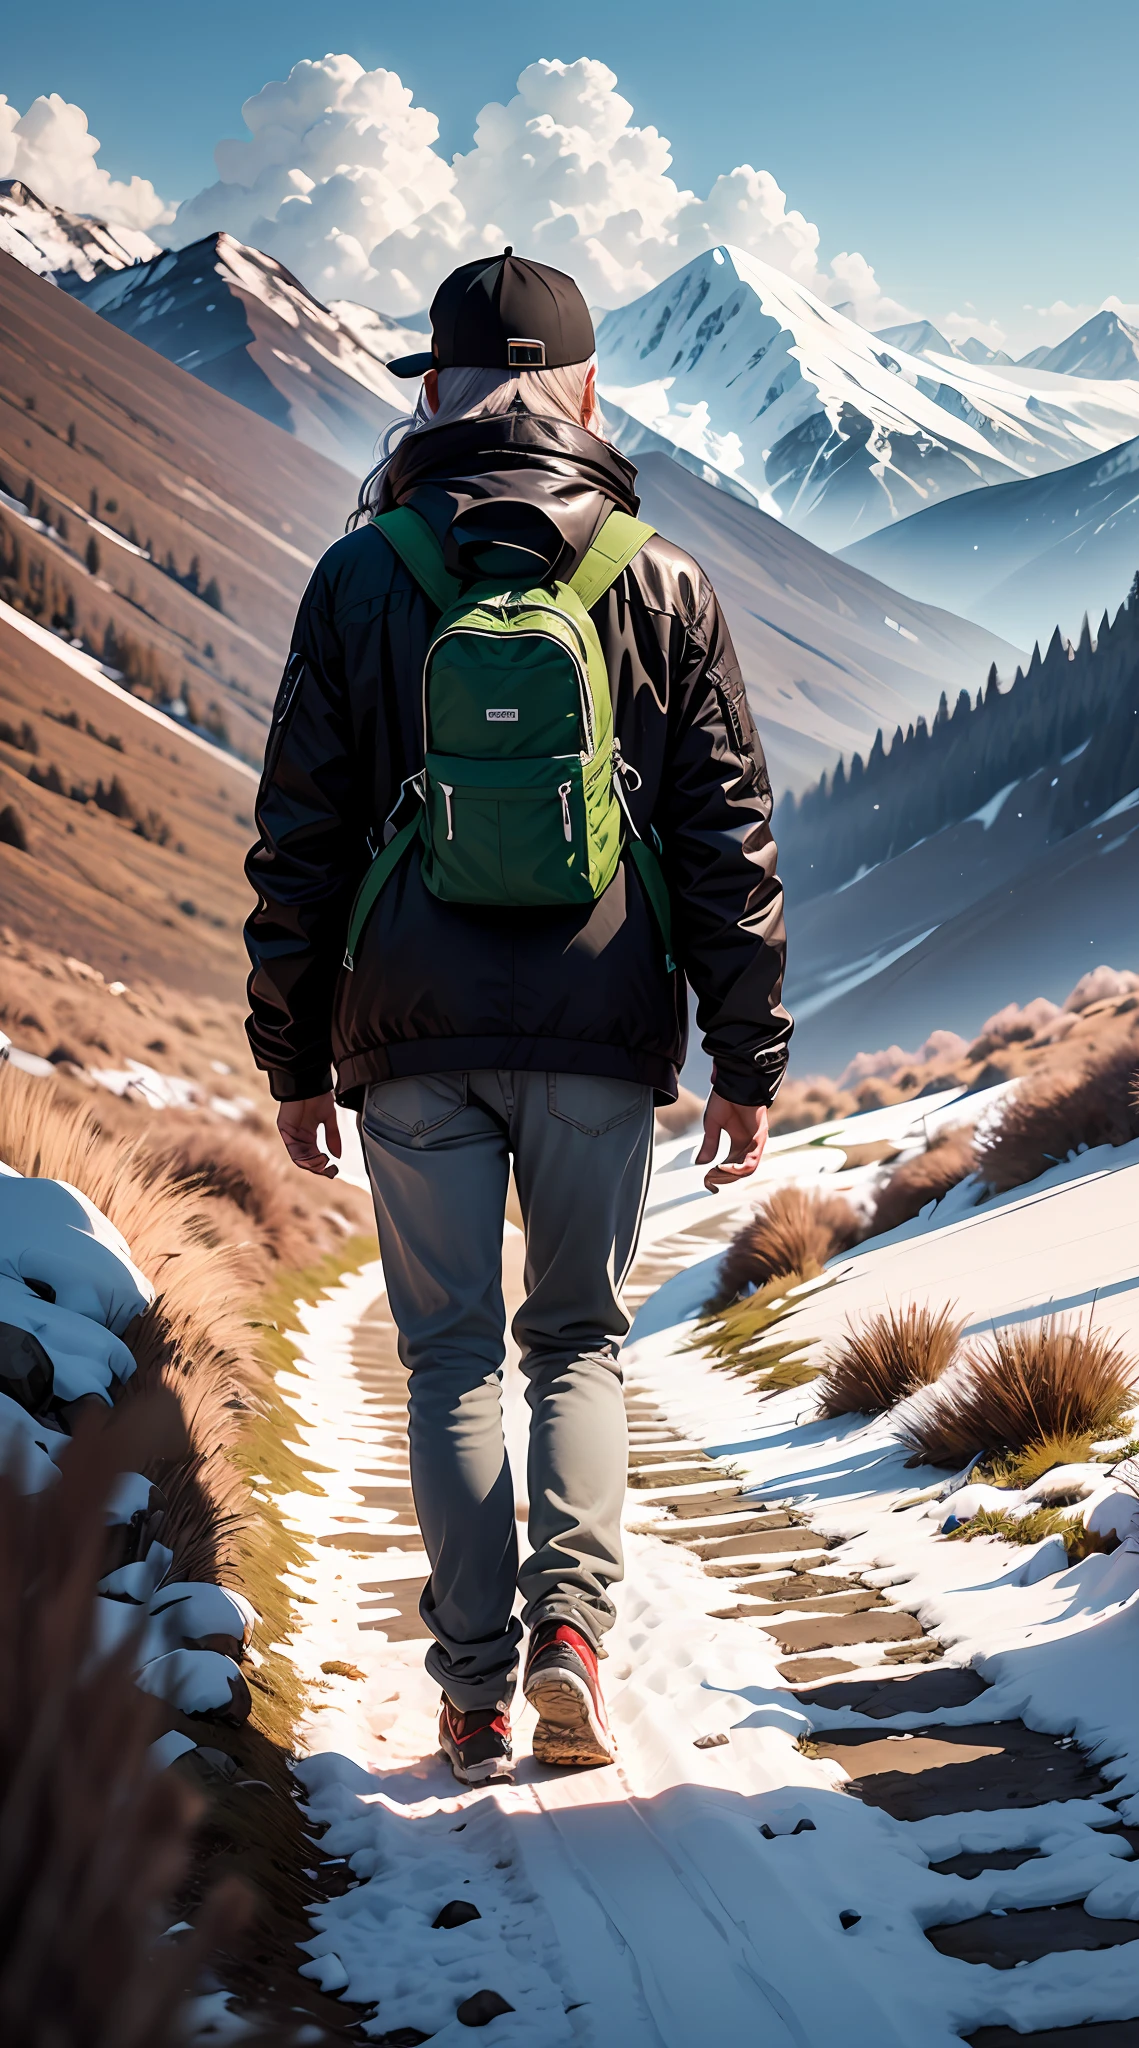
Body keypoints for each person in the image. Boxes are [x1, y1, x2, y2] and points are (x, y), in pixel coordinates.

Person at [243, 249, 790, 1784]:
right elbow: (724, 838)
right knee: (576, 1345)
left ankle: (475, 1691)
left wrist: (292, 1053)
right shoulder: (659, 575)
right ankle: (575, 1639)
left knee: (448, 1361)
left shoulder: (360, 576)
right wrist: (746, 1054)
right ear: (587, 392)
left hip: (407, 1028)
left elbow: (298, 834)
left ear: (431, 392)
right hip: (604, 1020)